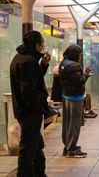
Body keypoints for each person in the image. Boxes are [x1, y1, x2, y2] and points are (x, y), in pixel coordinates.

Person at [10, 30, 51, 177]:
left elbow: (34, 79)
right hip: (30, 112)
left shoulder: (21, 58)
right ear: (37, 45)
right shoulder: (27, 61)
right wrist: (39, 107)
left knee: (36, 144)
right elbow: (28, 90)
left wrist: (44, 64)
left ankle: (39, 173)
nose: (43, 47)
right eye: (42, 44)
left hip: (26, 111)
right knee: (28, 148)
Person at [59, 44, 91, 158]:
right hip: (75, 97)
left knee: (67, 123)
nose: (80, 56)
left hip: (66, 95)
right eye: (79, 54)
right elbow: (79, 81)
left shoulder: (63, 63)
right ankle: (72, 149)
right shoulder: (73, 65)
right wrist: (86, 74)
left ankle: (67, 147)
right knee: (74, 123)